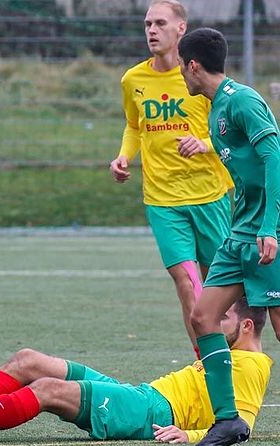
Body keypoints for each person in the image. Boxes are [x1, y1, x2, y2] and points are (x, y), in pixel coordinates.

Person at [0, 299, 271, 446]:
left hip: (151, 413)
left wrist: (191, 435)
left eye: (223, 318)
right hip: (142, 395)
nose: (212, 324)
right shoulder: (228, 352)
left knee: (46, 389)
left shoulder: (252, 365)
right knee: (29, 360)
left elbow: (242, 426)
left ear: (247, 326)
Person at [177, 27, 280, 446]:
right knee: (203, 317)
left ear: (192, 65)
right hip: (240, 233)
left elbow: (274, 156)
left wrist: (270, 227)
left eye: (181, 67)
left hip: (267, 230)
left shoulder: (242, 100)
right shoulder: (216, 107)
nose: (181, 74)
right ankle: (228, 420)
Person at [109, 0, 232, 356]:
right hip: (162, 199)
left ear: (181, 28)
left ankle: (237, 354)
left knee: (219, 285)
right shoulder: (133, 79)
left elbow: (229, 129)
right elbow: (134, 126)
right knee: (186, 282)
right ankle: (204, 361)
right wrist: (124, 156)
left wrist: (204, 143)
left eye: (160, 23)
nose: (152, 30)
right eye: (148, 24)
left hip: (208, 195)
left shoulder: (199, 76)